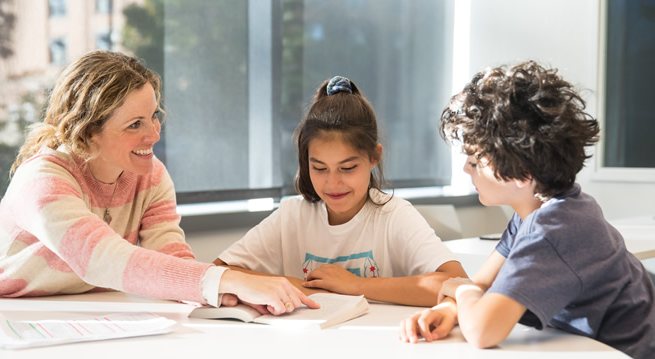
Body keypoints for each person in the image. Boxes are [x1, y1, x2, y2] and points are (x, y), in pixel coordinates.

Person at [0, 50, 318, 315]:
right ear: (89, 131)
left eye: (154, 116)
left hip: (77, 313)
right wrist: (226, 279)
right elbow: (101, 259)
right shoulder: (43, 179)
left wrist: (222, 295)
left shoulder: (150, 175)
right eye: (135, 125)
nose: (155, 134)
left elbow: (169, 256)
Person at [398, 61, 655, 359]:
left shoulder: (551, 230)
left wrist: (461, 292)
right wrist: (450, 306)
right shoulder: (546, 207)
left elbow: (482, 330)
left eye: (475, 160)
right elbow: (482, 282)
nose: (465, 168)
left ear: (521, 174)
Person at [214, 76, 467, 306]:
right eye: (319, 168)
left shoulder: (393, 215)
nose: (333, 183)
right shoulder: (292, 216)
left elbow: (458, 284)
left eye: (347, 168)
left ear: (374, 157)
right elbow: (217, 273)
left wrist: (356, 285)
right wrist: (312, 290)